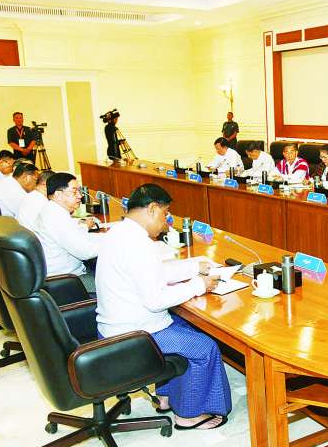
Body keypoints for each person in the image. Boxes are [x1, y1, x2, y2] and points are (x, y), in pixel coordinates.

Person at [95, 183, 229, 430]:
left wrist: (194, 267)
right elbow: (156, 300)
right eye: (166, 214)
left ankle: (166, 396)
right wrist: (200, 284)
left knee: (184, 325)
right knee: (205, 347)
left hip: (116, 325)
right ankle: (189, 415)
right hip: (133, 335)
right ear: (153, 209)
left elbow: (151, 273)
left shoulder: (120, 232)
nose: (166, 223)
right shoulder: (138, 244)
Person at [27, 172, 101, 291]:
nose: (80, 196)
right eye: (74, 191)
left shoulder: (53, 210)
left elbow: (77, 236)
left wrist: (108, 237)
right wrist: (115, 241)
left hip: (65, 275)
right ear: (58, 195)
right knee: (115, 286)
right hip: (68, 281)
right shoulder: (56, 217)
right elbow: (86, 251)